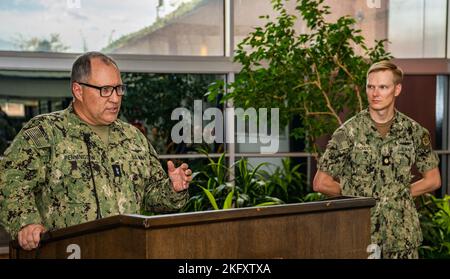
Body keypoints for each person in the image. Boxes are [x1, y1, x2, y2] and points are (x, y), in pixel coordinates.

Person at [0, 52, 192, 251]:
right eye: (106, 90)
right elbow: (9, 181)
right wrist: (27, 224)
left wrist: (173, 188)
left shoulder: (133, 137)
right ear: (78, 90)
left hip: (125, 252)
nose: (115, 98)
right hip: (67, 253)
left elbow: (152, 196)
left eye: (118, 89)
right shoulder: (47, 132)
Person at [313, 61, 441, 259]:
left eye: (383, 87)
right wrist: (357, 196)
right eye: (370, 86)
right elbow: (321, 183)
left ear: (397, 89)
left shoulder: (414, 131)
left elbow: (433, 180)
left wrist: (399, 194)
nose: (375, 93)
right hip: (359, 235)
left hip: (402, 238)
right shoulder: (347, 133)